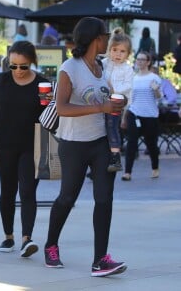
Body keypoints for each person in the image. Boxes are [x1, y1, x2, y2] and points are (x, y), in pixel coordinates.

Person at [43, 17, 127, 277]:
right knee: (67, 198)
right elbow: (63, 108)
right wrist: (100, 107)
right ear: (96, 38)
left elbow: (108, 96)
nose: (108, 41)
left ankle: (100, 260)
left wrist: (117, 102)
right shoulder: (70, 67)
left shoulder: (101, 67)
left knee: (104, 199)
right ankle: (51, 245)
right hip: (73, 144)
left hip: (101, 143)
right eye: (105, 36)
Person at [0, 41, 50, 258]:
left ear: (32, 63)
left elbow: (50, 119)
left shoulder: (43, 84)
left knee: (27, 191)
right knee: (7, 191)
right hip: (4, 145)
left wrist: (50, 103)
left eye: (23, 66)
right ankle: (8, 236)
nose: (18, 71)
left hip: (33, 145)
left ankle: (27, 239)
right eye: (13, 66)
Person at [121, 52, 162, 181]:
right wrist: (124, 117)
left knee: (151, 145)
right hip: (134, 113)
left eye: (142, 59)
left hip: (150, 115)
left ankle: (155, 168)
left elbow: (159, 97)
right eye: (138, 59)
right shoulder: (132, 78)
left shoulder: (154, 78)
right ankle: (127, 172)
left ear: (148, 62)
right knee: (131, 143)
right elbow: (129, 100)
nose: (139, 62)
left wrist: (155, 89)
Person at [102, 27, 134, 172]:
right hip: (101, 102)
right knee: (100, 129)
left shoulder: (127, 69)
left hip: (116, 103)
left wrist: (114, 89)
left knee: (111, 126)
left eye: (122, 51)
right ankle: (102, 156)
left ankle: (115, 156)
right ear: (109, 49)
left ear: (128, 54)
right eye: (115, 50)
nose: (118, 54)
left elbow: (128, 86)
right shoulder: (103, 63)